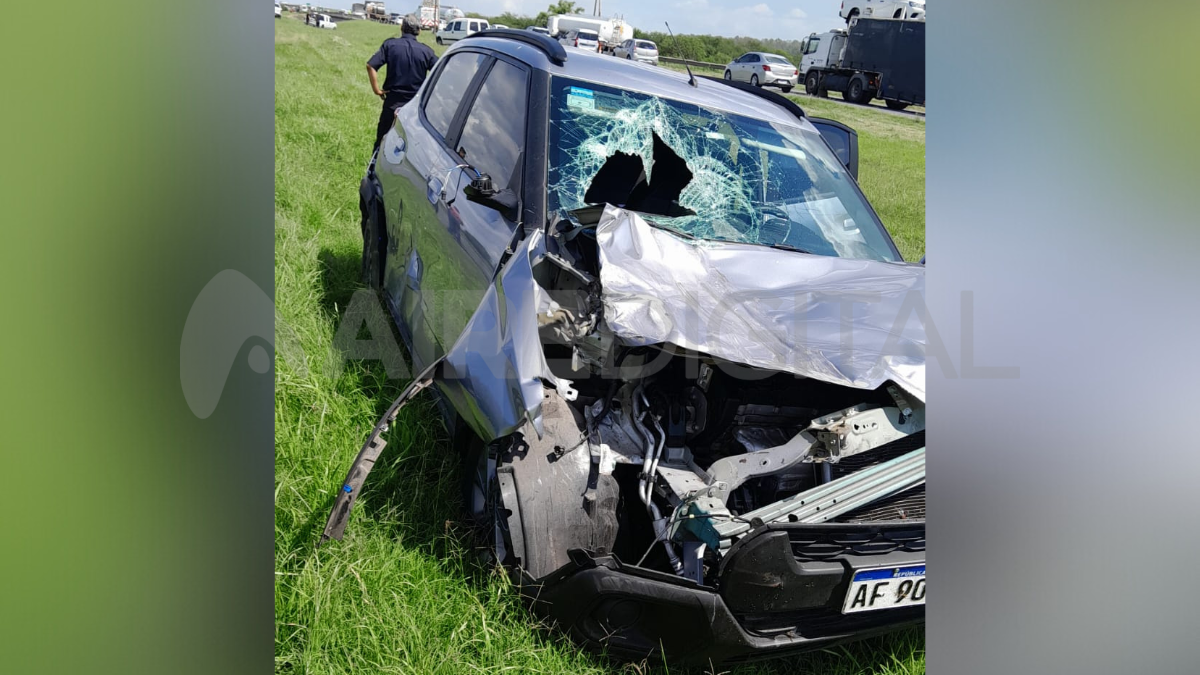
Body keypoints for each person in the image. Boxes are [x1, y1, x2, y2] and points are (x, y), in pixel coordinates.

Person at [366, 15, 438, 152]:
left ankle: (375, 163)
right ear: (419, 31)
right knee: (410, 146)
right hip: (414, 107)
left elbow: (371, 66)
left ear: (401, 28)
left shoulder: (390, 45)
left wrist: (377, 90)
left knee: (382, 140)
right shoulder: (427, 51)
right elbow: (440, 70)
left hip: (392, 102)